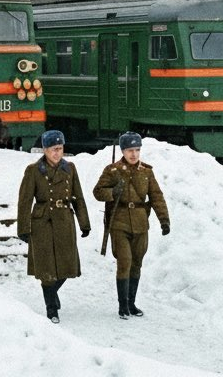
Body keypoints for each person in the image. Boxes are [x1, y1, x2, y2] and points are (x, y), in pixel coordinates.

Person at [91, 132, 170, 319]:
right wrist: (112, 192)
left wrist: (164, 220)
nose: (133, 154)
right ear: (123, 151)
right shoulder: (112, 170)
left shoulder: (147, 172)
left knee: (136, 264)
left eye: (136, 150)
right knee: (124, 263)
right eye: (129, 150)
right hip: (119, 223)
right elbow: (97, 192)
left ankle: (132, 303)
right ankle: (123, 305)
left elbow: (157, 196)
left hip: (141, 224)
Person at [16, 130, 90, 323]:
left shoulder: (70, 168)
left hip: (65, 220)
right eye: (53, 149)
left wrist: (84, 223)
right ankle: (51, 308)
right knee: (46, 267)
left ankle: (51, 294)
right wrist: (23, 228)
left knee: (68, 265)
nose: (58, 153)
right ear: (45, 150)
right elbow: (25, 200)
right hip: (43, 222)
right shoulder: (33, 170)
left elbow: (78, 197)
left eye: (60, 148)